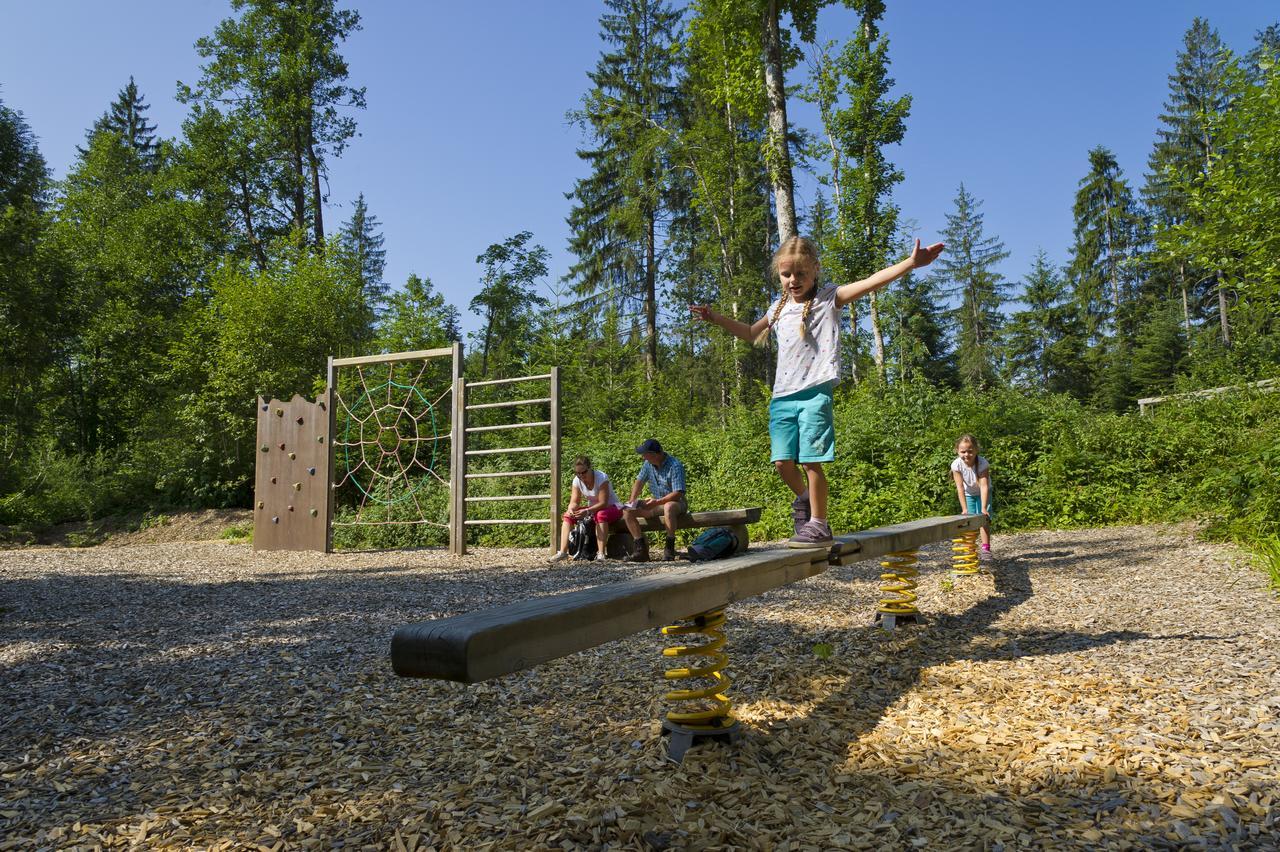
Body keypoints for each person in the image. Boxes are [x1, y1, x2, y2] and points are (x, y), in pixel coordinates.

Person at [692, 235, 944, 547]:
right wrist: (714, 317)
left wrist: (910, 263)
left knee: (811, 461)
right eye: (786, 274)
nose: (793, 280)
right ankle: (805, 499)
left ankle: (819, 524)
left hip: (814, 393)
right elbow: (748, 333)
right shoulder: (778, 308)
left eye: (801, 274)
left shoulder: (829, 298)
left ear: (815, 270)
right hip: (782, 396)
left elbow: (870, 282)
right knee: (782, 462)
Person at [621, 439, 687, 562]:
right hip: (656, 504)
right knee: (627, 510)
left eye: (645, 454)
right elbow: (639, 482)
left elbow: (678, 493)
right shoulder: (648, 464)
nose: (643, 458)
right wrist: (632, 501)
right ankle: (641, 551)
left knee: (668, 506)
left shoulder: (675, 465)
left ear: (654, 454)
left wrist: (657, 502)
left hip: (677, 504)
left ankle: (669, 549)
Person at [549, 455, 623, 563]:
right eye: (578, 473)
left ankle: (601, 553)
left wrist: (587, 511)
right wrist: (571, 509)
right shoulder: (577, 480)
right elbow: (574, 502)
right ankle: (563, 552)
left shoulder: (601, 477)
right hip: (594, 508)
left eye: (583, 472)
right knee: (567, 516)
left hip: (612, 507)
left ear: (590, 468)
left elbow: (603, 502)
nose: (581, 476)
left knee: (600, 515)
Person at [950, 433, 993, 556]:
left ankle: (985, 549)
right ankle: (970, 549)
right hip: (969, 494)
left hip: (983, 493)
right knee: (969, 520)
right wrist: (964, 509)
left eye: (970, 451)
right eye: (963, 452)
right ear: (957, 451)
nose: (966, 455)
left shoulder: (982, 463)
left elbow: (984, 486)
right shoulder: (956, 465)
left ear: (976, 450)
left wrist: (984, 508)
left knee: (983, 519)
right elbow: (960, 488)